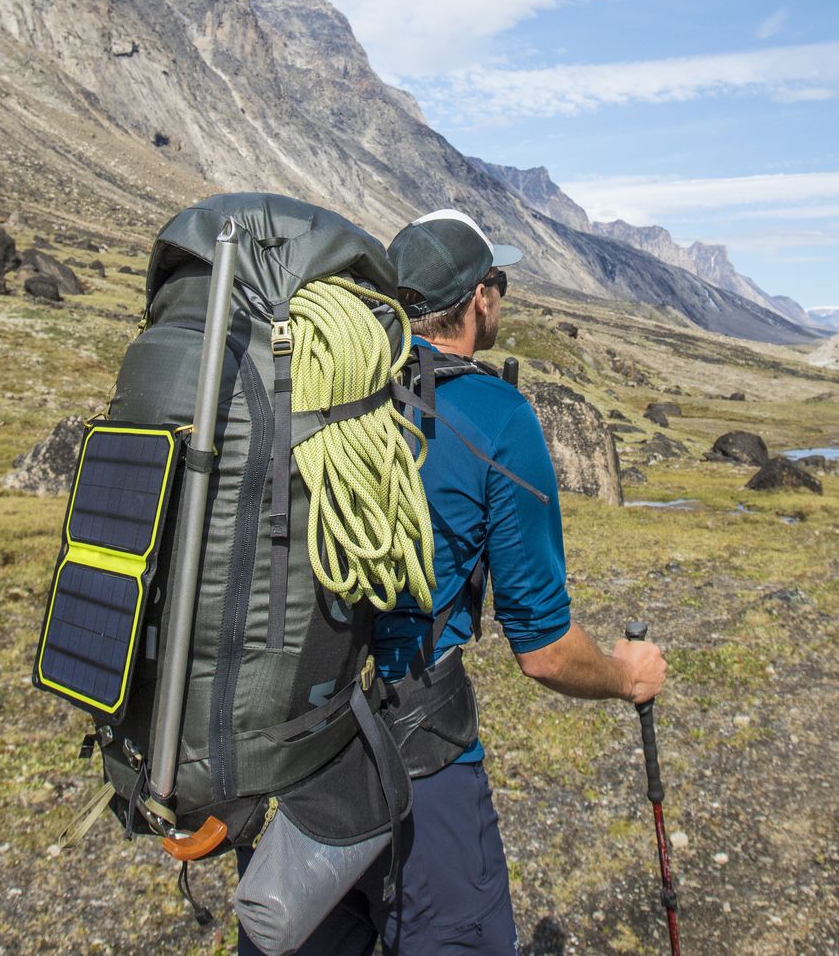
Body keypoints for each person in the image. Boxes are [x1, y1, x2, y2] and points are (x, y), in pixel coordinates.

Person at [243, 209, 667, 955]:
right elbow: (544, 653)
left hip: (297, 739)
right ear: (480, 298)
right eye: (497, 282)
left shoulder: (316, 391)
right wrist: (625, 675)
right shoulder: (497, 417)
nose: (499, 296)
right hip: (418, 751)